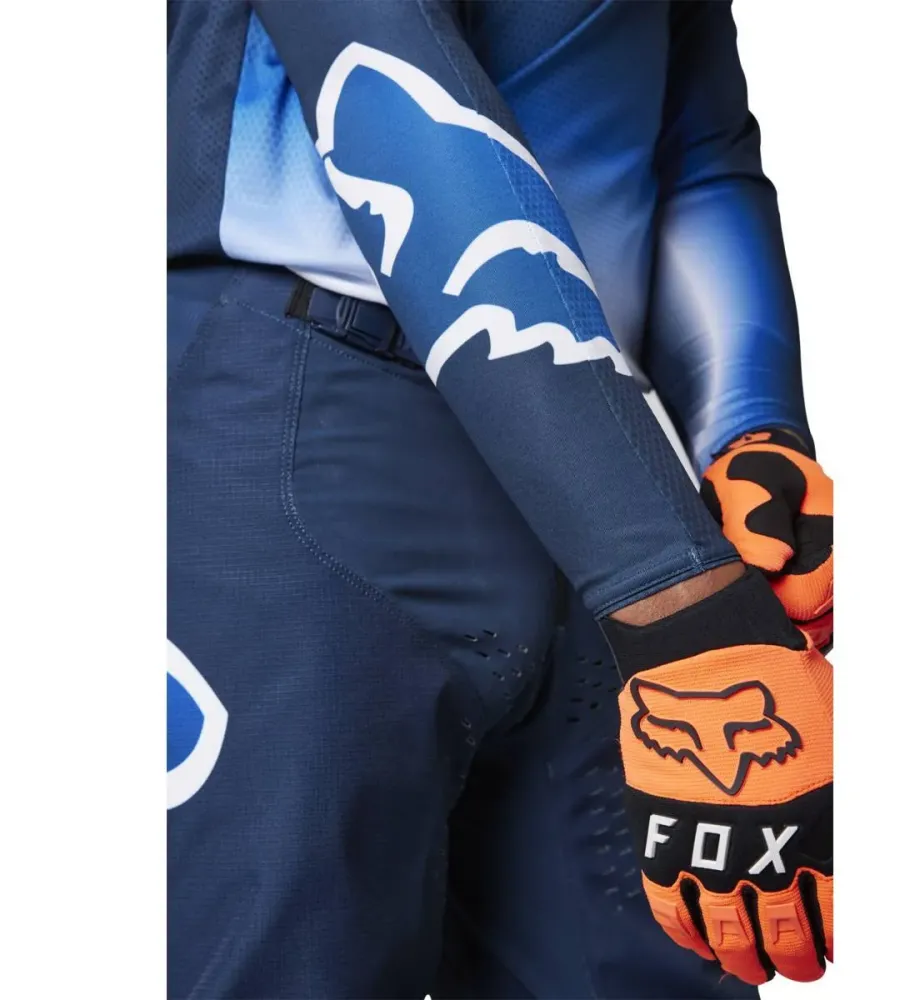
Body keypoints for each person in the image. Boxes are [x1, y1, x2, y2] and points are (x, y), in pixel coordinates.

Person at [166, 2, 833, 996]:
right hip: (305, 427)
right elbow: (383, 87)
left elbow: (694, 137)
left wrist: (750, 428)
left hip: (602, 461)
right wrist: (682, 605)